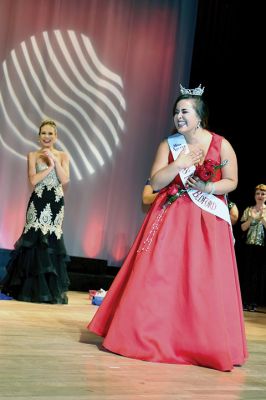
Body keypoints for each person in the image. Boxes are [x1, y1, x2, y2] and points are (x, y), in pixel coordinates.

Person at [88, 84, 247, 371]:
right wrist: (180, 164)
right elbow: (156, 182)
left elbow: (232, 180)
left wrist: (210, 186)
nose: (179, 116)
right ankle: (148, 338)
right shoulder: (168, 145)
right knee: (161, 276)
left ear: (200, 117)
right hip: (170, 218)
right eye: (176, 112)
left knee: (202, 281)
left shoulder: (221, 145)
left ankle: (200, 343)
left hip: (207, 223)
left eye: (185, 111)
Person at [0, 119, 70, 304]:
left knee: (51, 242)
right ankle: (28, 289)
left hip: (55, 202)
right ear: (39, 136)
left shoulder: (63, 155)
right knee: (33, 241)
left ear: (56, 136)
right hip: (38, 200)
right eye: (43, 133)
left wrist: (55, 161)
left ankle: (49, 291)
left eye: (50, 133)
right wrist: (49, 167)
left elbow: (64, 179)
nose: (47, 136)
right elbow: (33, 180)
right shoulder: (33, 155)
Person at [240, 184, 266, 311]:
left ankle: (255, 302)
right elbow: (243, 227)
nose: (260, 196)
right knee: (247, 275)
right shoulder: (249, 210)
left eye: (262, 194)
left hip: (262, 248)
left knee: (258, 276)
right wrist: (251, 219)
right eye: (258, 194)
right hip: (249, 247)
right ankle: (245, 301)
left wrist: (263, 218)